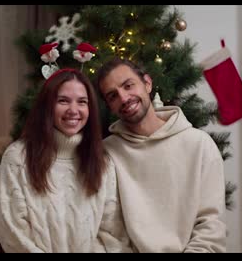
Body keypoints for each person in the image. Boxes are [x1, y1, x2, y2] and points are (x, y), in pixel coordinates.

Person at [0, 68, 132, 253]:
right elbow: (11, 228)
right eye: (63, 101)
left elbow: (113, 233)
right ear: (47, 106)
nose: (73, 110)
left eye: (82, 102)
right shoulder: (18, 157)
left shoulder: (102, 161)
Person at [95, 58, 227, 253]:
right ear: (110, 106)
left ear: (147, 83)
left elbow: (211, 225)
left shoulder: (199, 145)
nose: (123, 98)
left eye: (128, 86)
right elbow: (108, 231)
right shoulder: (106, 154)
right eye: (113, 96)